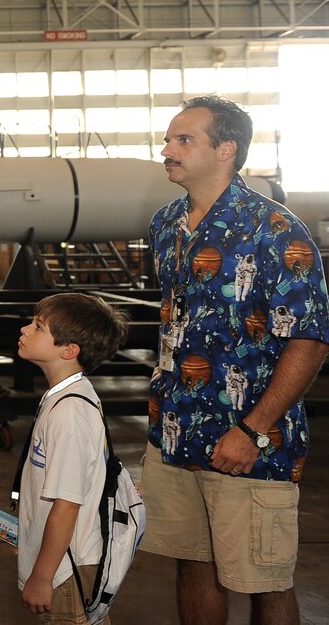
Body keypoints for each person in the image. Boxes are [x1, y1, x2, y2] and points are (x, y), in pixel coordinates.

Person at [141, 95, 329, 625]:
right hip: (175, 432)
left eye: (183, 140)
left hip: (248, 439)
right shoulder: (166, 224)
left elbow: (309, 340)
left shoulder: (275, 230)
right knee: (193, 565)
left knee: (264, 580)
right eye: (169, 138)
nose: (166, 149)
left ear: (226, 150)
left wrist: (253, 429)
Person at [15, 293, 130, 623]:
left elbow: (67, 505)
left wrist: (42, 576)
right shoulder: (63, 397)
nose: (24, 330)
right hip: (60, 565)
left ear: (68, 351)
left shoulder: (70, 414)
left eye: (38, 327)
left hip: (65, 571)